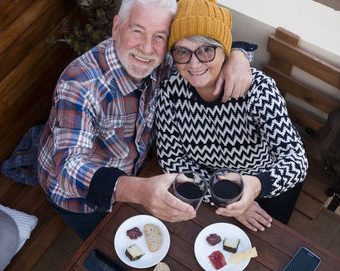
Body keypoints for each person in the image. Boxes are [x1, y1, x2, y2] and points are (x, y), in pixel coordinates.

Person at [37, 0, 254, 240]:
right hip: (79, 199)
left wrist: (238, 55)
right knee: (105, 245)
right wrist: (139, 190)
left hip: (138, 172)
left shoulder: (165, 63)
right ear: (117, 27)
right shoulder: (81, 83)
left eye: (160, 37)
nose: (147, 49)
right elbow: (68, 168)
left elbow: (206, 49)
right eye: (137, 31)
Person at [156, 0, 308, 232]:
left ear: (224, 50)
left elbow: (296, 160)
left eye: (206, 50)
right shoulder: (170, 92)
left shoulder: (258, 90)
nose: (194, 63)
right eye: (182, 51)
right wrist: (225, 198)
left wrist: (256, 186)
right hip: (208, 187)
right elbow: (173, 161)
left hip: (267, 184)